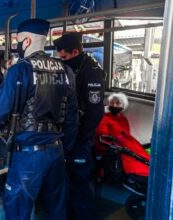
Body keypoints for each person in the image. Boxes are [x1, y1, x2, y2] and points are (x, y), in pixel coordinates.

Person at [0, 18, 78, 219]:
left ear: (25, 42)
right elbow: (71, 117)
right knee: (57, 210)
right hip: (57, 151)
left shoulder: (20, 70)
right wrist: (63, 148)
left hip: (28, 155)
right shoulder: (66, 71)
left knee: (17, 209)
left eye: (18, 41)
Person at [54, 32, 105, 220]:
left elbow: (95, 112)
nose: (62, 62)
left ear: (75, 51)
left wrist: (79, 137)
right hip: (66, 136)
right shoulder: (70, 70)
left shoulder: (90, 71)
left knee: (79, 184)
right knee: (66, 181)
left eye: (65, 57)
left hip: (80, 139)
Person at [95, 93, 150, 193]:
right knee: (129, 156)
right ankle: (134, 176)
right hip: (112, 146)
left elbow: (127, 134)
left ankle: (146, 169)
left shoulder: (123, 119)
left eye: (118, 103)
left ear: (122, 106)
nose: (115, 105)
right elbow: (102, 135)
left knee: (138, 152)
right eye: (112, 102)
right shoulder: (104, 118)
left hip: (124, 143)